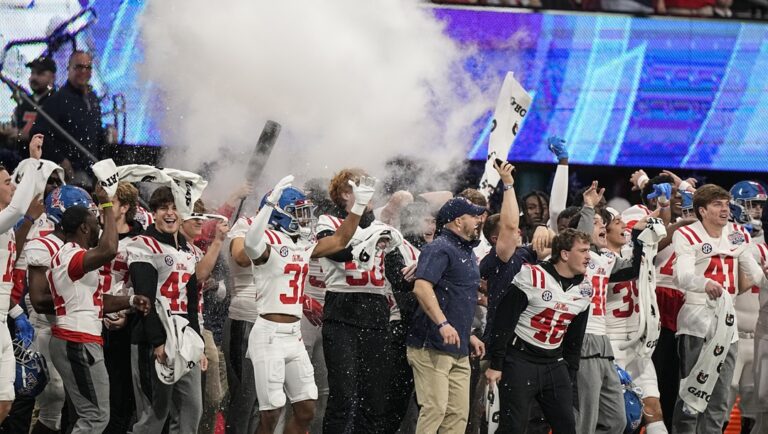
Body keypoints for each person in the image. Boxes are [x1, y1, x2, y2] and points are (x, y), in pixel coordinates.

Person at [236, 174, 376, 434]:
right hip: (269, 335)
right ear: (280, 214)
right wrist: (267, 207)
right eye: (297, 212)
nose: (305, 218)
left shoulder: (303, 244)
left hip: (294, 335)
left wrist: (359, 206)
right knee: (271, 411)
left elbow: (339, 240)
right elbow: (251, 244)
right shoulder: (266, 242)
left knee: (306, 408)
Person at [47, 199, 150, 433]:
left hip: (73, 338)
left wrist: (131, 301)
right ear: (84, 227)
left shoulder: (71, 255)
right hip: (78, 339)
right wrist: (105, 204)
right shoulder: (70, 254)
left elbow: (94, 301)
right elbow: (109, 249)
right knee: (95, 418)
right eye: (95, 223)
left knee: (90, 415)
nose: (100, 228)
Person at [672, 184, 767, 433]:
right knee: (691, 395)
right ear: (702, 210)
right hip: (697, 318)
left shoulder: (738, 234)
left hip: (728, 323)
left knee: (720, 400)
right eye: (717, 204)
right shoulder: (686, 234)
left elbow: (752, 270)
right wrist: (704, 283)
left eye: (726, 204)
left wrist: (764, 277)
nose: (725, 209)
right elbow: (682, 276)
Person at [318, 168, 403, 434]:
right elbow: (341, 252)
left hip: (376, 314)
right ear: (345, 193)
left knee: (374, 399)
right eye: (360, 187)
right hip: (342, 312)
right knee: (343, 395)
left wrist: (413, 276)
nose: (370, 193)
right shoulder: (328, 222)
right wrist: (368, 236)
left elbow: (397, 276)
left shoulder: (382, 228)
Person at [485, 229, 593, 433]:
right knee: (513, 427)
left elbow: (574, 338)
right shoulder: (533, 276)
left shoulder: (585, 288)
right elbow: (504, 321)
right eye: (583, 250)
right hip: (520, 360)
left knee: (567, 427)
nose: (589, 256)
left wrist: (570, 371)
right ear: (565, 254)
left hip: (554, 363)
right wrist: (496, 363)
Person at [406, 193, 488, 434]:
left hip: (458, 346)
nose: (478, 221)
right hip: (430, 344)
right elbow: (422, 287)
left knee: (457, 417)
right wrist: (442, 324)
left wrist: (468, 333)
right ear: (457, 220)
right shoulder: (439, 247)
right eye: (473, 216)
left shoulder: (467, 252)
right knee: (435, 410)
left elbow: (458, 298)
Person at [129, 186, 206, 434]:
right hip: (155, 337)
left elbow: (192, 304)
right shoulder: (143, 244)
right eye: (163, 207)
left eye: (174, 207)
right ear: (153, 211)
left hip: (185, 339)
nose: (170, 213)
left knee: (192, 411)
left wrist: (199, 343)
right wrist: (158, 341)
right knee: (155, 415)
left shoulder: (187, 249)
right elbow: (145, 299)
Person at [24, 185, 95, 434]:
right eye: (88, 213)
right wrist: (79, 303)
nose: (93, 219)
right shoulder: (42, 245)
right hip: (47, 328)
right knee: (53, 397)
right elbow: (40, 299)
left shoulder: (83, 245)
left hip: (76, 330)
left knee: (74, 403)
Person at [100, 182, 144, 434]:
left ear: (125, 207)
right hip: (93, 321)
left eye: (110, 202)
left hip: (124, 325)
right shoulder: (92, 231)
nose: (101, 207)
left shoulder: (141, 240)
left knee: (120, 398)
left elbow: (145, 286)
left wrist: (127, 314)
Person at [31, 51, 107, 178]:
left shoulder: (93, 99)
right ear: (69, 69)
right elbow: (38, 134)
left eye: (87, 67)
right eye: (78, 67)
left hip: (93, 170)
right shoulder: (57, 100)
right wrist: (60, 160)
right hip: (72, 173)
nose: (83, 71)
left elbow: (95, 132)